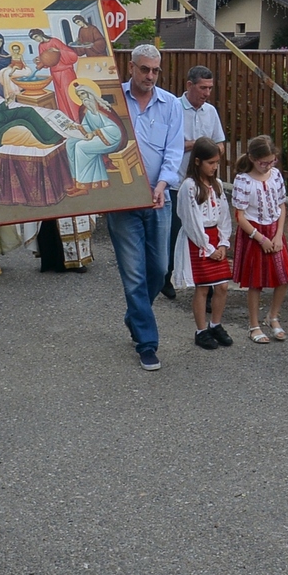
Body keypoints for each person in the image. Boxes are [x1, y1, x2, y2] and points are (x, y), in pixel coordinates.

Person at [105, 43, 183, 371]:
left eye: (155, 70)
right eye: (144, 69)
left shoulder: (171, 105)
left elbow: (174, 151)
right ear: (131, 68)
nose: (150, 75)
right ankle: (147, 341)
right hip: (121, 201)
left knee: (160, 268)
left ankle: (135, 316)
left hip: (158, 199)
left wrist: (163, 185)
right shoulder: (111, 99)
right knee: (134, 274)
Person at [163, 65, 228, 299]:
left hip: (202, 185)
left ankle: (207, 283)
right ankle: (166, 276)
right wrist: (198, 144)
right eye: (202, 88)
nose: (207, 93)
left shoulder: (210, 111)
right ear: (189, 86)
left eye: (210, 88)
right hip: (177, 183)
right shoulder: (174, 109)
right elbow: (169, 144)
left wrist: (209, 148)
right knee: (174, 233)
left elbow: (219, 144)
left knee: (204, 232)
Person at [232, 135, 288, 343]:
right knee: (255, 282)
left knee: (284, 277)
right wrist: (260, 238)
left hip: (274, 229)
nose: (268, 166)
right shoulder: (243, 180)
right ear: (252, 158)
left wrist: (277, 235)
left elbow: (281, 205)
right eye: (263, 162)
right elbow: (240, 215)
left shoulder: (275, 175)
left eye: (271, 161)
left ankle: (273, 316)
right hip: (254, 233)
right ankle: (254, 325)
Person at [172, 137, 233, 350]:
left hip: (216, 237)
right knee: (203, 287)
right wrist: (208, 247)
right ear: (197, 161)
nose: (214, 167)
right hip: (199, 240)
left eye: (217, 163)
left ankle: (215, 324)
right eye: (211, 163)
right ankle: (201, 330)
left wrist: (223, 242)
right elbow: (191, 220)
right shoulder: (189, 187)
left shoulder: (216, 185)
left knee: (223, 286)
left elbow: (224, 215)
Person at [63, 82, 124, 190]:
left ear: (90, 93)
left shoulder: (102, 108)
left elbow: (115, 130)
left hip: (112, 139)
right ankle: (75, 179)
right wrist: (75, 127)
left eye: (83, 94)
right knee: (70, 143)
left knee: (81, 147)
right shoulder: (86, 109)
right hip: (99, 137)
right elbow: (86, 126)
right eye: (79, 96)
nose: (82, 98)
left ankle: (82, 186)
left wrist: (94, 133)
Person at [28, 27, 82, 120]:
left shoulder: (54, 41)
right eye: (34, 38)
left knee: (70, 95)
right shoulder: (41, 46)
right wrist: (38, 60)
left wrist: (58, 51)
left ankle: (78, 117)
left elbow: (72, 55)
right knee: (61, 97)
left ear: (40, 34)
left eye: (36, 36)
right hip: (55, 73)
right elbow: (46, 61)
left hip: (66, 72)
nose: (36, 39)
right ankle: (68, 118)